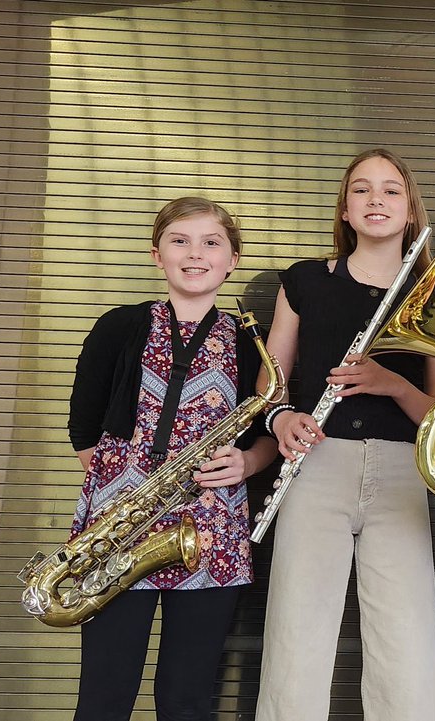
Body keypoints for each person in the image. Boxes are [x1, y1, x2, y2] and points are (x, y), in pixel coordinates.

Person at [255, 148, 435, 720]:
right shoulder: (304, 283)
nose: (376, 200)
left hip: (401, 470)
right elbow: (270, 385)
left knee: (407, 643)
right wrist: (282, 419)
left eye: (391, 190)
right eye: (362, 190)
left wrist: (391, 383)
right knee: (297, 635)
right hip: (316, 465)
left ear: (410, 209)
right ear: (344, 209)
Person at [67, 196, 279, 720]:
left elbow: (275, 424)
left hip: (211, 532)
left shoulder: (252, 342)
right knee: (104, 693)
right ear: (156, 254)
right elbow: (84, 427)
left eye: (212, 243)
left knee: (186, 698)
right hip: (121, 529)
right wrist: (124, 493)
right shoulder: (119, 327)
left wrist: (249, 464)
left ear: (233, 259)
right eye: (179, 241)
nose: (195, 254)